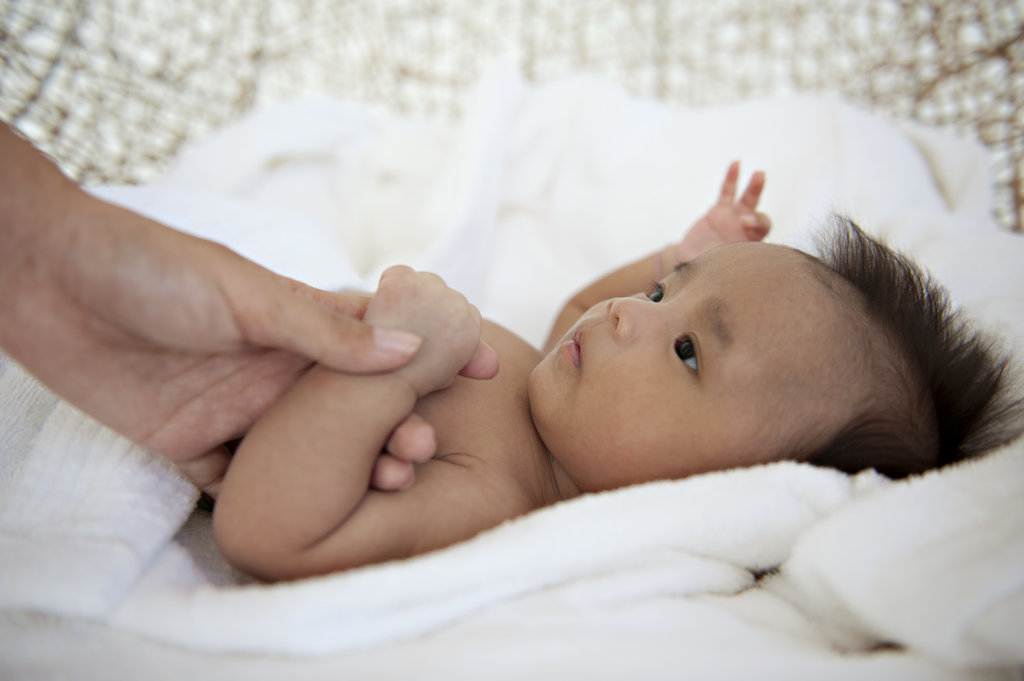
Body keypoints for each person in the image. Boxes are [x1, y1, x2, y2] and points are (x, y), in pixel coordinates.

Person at [213, 161, 1020, 582]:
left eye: (688, 350)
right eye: (664, 292)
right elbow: (578, 309)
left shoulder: (494, 494)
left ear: (721, 493)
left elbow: (265, 532)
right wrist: (675, 257)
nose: (629, 310)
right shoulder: (557, 398)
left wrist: (391, 363)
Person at [0, 122, 498, 496]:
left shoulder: (504, 488)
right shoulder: (539, 370)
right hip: (237, 349)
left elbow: (266, 536)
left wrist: (398, 376)